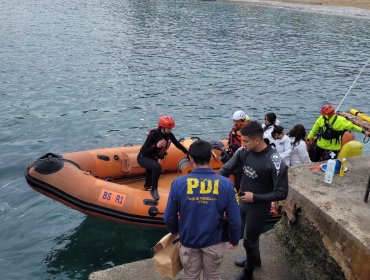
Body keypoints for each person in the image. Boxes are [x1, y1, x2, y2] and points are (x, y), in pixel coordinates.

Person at [219, 121, 289, 280]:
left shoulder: (275, 161)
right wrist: (211, 184)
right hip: (243, 203)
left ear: (257, 140)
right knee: (248, 236)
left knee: (249, 241)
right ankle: (255, 260)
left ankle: (248, 274)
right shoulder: (244, 152)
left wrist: (255, 197)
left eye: (245, 141)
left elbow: (282, 193)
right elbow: (226, 169)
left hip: (258, 207)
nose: (242, 144)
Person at [163, 140, 241, 280]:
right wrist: (234, 239)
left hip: (188, 240)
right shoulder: (226, 184)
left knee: (191, 276)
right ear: (211, 157)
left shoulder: (178, 183)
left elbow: (168, 217)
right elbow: (235, 219)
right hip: (214, 241)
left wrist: (177, 231)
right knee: (212, 276)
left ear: (190, 158)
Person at [137, 115, 188, 200]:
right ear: (162, 127)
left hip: (153, 157)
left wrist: (187, 152)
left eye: (171, 128)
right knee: (157, 167)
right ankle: (154, 189)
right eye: (169, 128)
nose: (170, 130)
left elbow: (178, 145)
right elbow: (144, 150)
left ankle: (147, 187)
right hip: (143, 157)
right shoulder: (153, 135)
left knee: (151, 170)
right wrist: (156, 146)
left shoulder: (169, 135)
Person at [227, 110, 250, 191]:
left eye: (237, 121)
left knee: (238, 178)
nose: (235, 123)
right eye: (234, 121)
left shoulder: (242, 133)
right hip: (232, 155)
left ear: (243, 121)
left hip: (239, 160)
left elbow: (244, 148)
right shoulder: (236, 129)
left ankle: (238, 191)